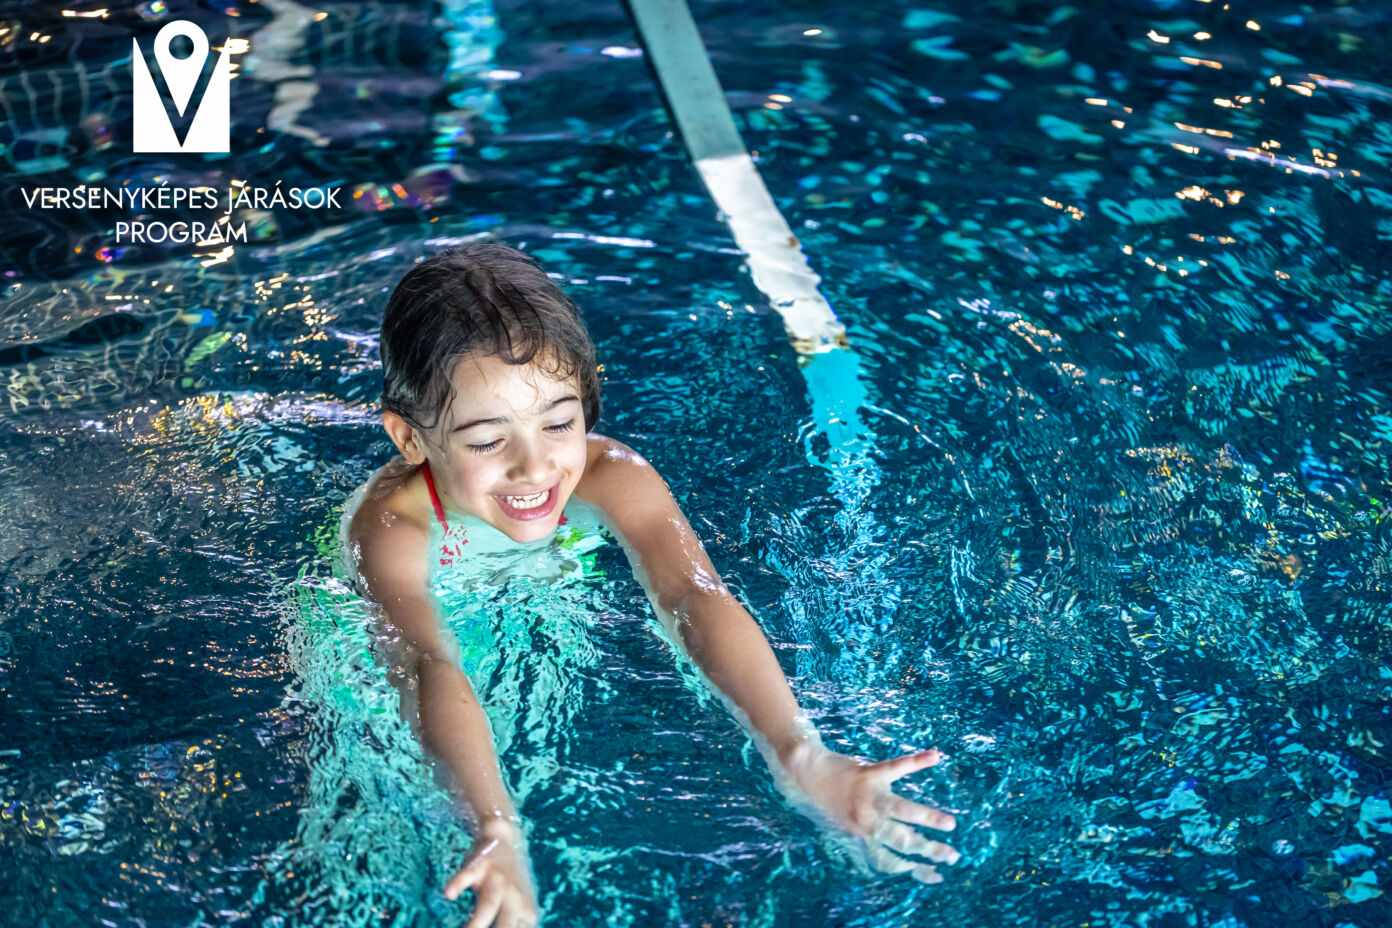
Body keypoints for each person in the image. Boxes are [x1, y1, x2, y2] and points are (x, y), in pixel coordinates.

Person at [343, 243, 960, 927]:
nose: (537, 466)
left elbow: (694, 597)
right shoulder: (394, 527)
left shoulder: (612, 476)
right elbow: (426, 660)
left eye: (559, 423)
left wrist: (798, 751)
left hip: (517, 610)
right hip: (384, 646)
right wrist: (495, 825)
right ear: (409, 438)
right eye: (488, 441)